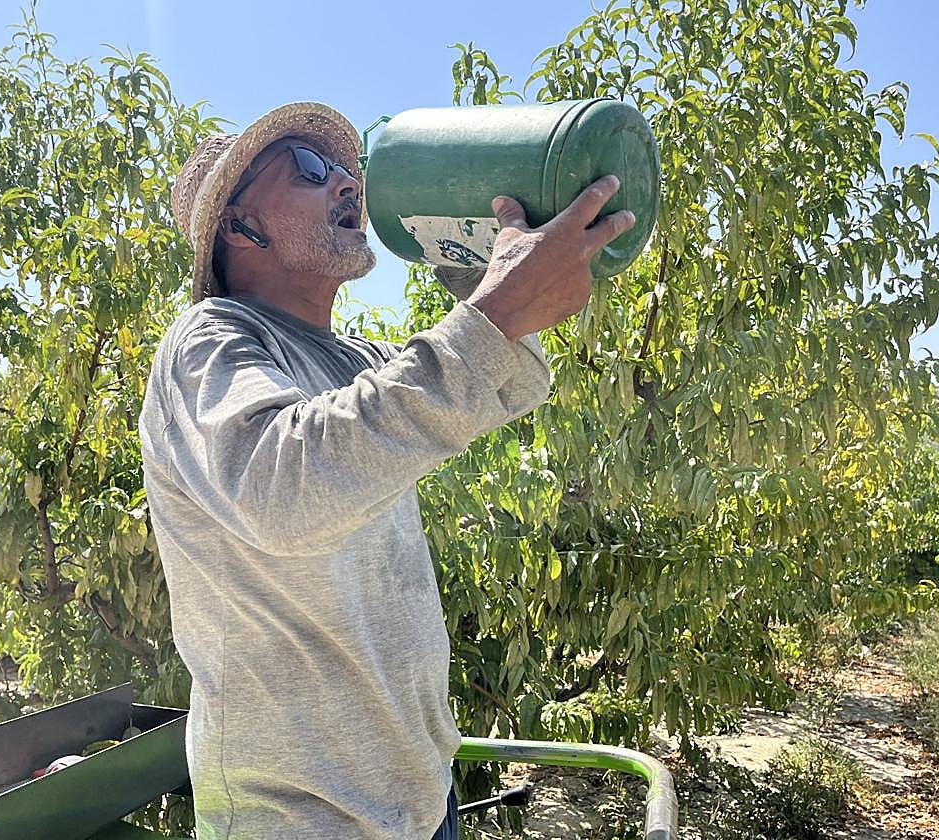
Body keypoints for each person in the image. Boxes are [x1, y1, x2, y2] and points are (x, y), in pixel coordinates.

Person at [140, 102, 636, 839]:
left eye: (346, 168)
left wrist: (480, 261)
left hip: (421, 797)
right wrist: (494, 314)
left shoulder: (358, 360)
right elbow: (281, 491)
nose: (347, 182)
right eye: (310, 169)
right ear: (240, 226)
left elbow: (511, 380)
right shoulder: (209, 339)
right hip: (304, 820)